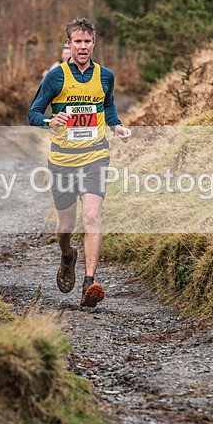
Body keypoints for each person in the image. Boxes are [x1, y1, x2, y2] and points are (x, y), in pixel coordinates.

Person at [27, 18, 132, 307]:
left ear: (93, 44)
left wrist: (117, 126)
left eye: (87, 41)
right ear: (69, 44)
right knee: (66, 225)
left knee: (92, 217)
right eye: (78, 42)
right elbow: (33, 114)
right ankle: (67, 254)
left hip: (95, 156)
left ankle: (90, 282)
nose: (83, 47)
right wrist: (50, 120)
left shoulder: (105, 76)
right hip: (62, 160)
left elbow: (107, 105)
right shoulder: (55, 77)